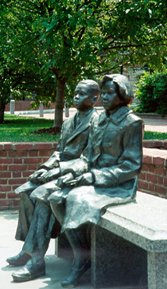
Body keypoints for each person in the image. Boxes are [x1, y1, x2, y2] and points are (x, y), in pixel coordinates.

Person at [49, 74, 144, 288]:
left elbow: (131, 167)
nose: (106, 97)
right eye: (105, 93)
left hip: (118, 184)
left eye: (111, 93)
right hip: (93, 177)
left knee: (76, 198)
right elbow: (87, 156)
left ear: (123, 95)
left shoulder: (132, 123)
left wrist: (92, 177)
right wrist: (73, 173)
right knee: (55, 197)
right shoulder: (99, 119)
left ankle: (81, 261)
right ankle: (82, 254)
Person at [6, 79, 100, 282]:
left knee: (41, 195)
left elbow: (88, 158)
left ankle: (37, 260)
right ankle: (28, 250)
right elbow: (59, 152)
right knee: (26, 191)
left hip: (79, 176)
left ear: (94, 98)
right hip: (61, 171)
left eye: (82, 94)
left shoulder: (97, 122)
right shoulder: (67, 123)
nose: (76, 97)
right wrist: (45, 168)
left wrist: (57, 172)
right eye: (75, 93)